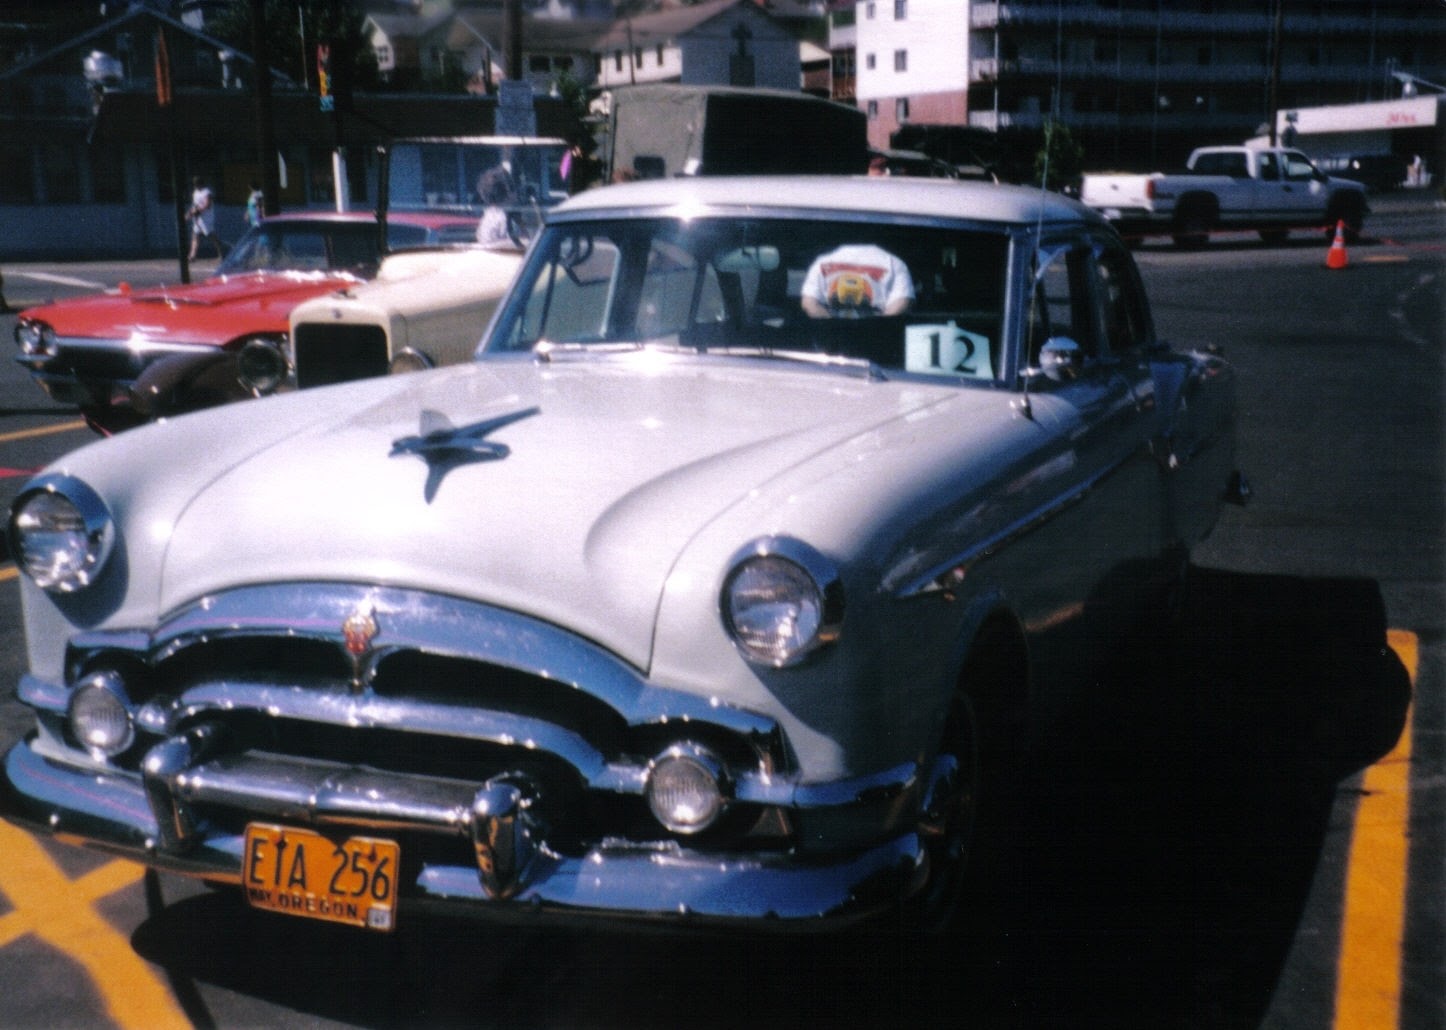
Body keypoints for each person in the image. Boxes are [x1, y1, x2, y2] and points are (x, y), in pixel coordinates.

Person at [800, 243, 914, 318]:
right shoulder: (895, 264)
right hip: (874, 342)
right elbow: (900, 305)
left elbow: (810, 304)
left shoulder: (821, 262)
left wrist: (833, 328)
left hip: (828, 344)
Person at [475, 166, 516, 249]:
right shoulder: (503, 217)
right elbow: (513, 245)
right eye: (513, 188)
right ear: (508, 192)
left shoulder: (488, 214)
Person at [187, 176, 222, 260]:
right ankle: (192, 255)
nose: (195, 186)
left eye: (196, 184)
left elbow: (207, 205)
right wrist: (190, 213)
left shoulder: (207, 192)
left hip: (207, 218)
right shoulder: (195, 193)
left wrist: (197, 211)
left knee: (210, 235)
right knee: (195, 235)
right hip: (198, 218)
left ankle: (221, 252)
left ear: (200, 184)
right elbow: (195, 205)